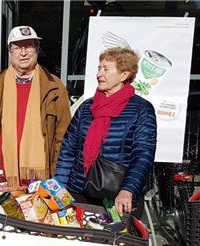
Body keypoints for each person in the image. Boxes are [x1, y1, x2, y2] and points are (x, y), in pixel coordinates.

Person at [55, 47, 157, 216]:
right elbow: (68, 149)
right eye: (99, 68)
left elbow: (143, 155)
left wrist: (128, 190)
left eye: (106, 69)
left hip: (116, 197)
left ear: (124, 74)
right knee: (78, 240)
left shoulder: (141, 109)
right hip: (79, 192)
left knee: (115, 240)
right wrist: (59, 185)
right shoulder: (87, 107)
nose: (99, 74)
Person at [0, 25, 71, 187]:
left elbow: (63, 136)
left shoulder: (55, 86)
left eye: (29, 46)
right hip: (3, 172)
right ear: (10, 52)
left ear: (37, 49)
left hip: (40, 177)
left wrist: (57, 173)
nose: (23, 53)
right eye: (17, 48)